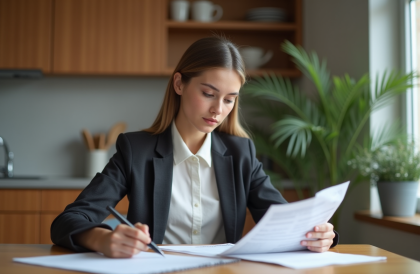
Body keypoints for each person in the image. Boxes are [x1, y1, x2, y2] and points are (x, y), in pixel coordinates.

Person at [51, 36, 338, 258]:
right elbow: (69, 220)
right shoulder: (136, 150)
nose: (218, 109)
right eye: (208, 93)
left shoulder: (241, 155)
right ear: (179, 83)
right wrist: (103, 239)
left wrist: (320, 235)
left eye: (229, 99)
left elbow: (284, 223)